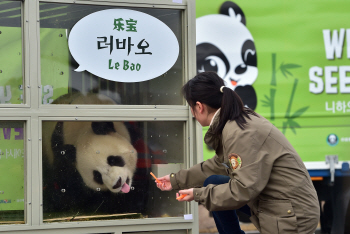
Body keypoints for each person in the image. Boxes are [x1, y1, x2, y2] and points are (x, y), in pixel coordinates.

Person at [156, 71, 320, 234]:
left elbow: (242, 190)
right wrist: (175, 180)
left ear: (199, 107)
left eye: (191, 107)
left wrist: (198, 194)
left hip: (292, 214)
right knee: (214, 181)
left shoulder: (239, 131)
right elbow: (217, 166)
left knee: (216, 189)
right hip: (280, 203)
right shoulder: (233, 122)